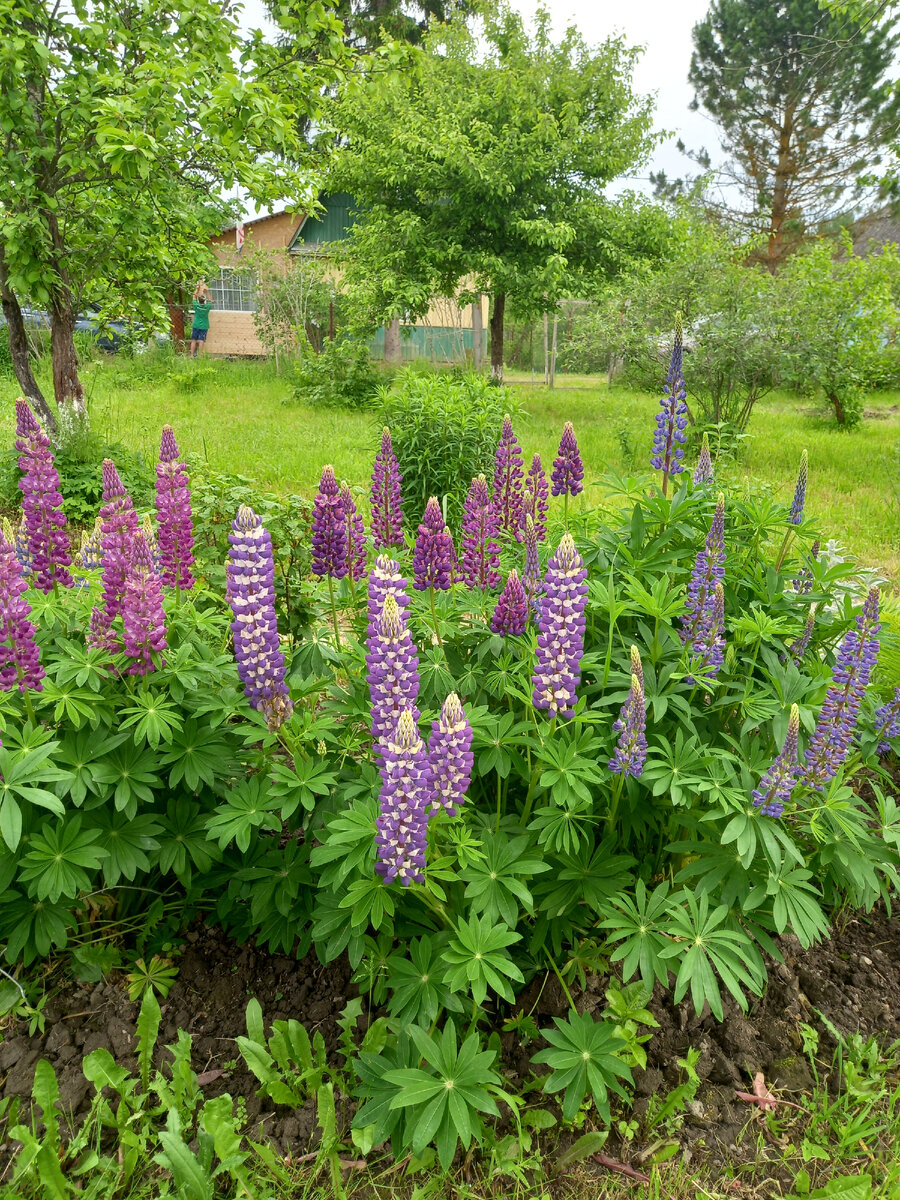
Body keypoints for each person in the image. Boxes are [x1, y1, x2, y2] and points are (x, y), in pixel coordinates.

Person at [190, 281, 213, 358]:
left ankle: (191, 355)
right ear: (204, 300)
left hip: (196, 325)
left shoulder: (196, 305)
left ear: (198, 300)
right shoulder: (207, 307)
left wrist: (197, 289)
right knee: (201, 340)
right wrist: (207, 292)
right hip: (204, 326)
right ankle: (200, 356)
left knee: (194, 340)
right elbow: (210, 300)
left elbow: (193, 297)